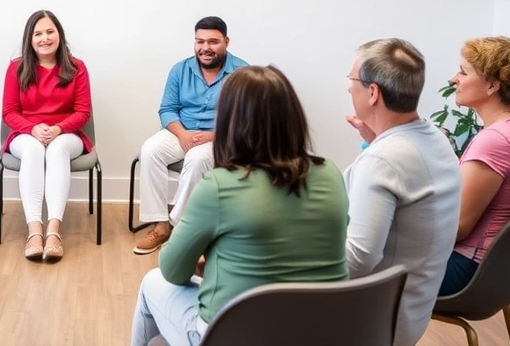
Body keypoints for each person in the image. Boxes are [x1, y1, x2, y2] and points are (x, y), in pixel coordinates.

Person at [131, 65, 349, 346]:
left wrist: (209, 261)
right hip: (321, 332)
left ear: (230, 121)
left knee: (153, 282)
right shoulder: (331, 174)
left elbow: (173, 270)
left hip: (236, 335)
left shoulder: (219, 185)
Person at [344, 38, 462, 346]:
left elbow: (358, 260)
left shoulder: (384, 160)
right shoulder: (436, 139)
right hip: (411, 311)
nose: (348, 88)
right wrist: (376, 141)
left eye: (352, 80)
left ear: (373, 93)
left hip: (372, 321)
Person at [438, 37, 510, 296]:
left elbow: (456, 228)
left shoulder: (496, 141)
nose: (454, 79)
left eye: (463, 72)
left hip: (466, 271)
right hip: (499, 272)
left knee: (364, 263)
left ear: (492, 85)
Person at [133, 16, 248, 255]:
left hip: (220, 137)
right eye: (200, 41)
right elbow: (167, 109)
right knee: (150, 150)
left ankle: (183, 228)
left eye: (213, 41)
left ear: (226, 41)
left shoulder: (242, 73)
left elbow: (245, 120)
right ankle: (160, 225)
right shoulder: (180, 69)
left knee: (197, 158)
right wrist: (183, 135)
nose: (205, 48)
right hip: (181, 131)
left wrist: (212, 137)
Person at [2, 10, 91, 262]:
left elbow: (82, 112)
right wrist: (32, 128)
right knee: (33, 149)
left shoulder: (77, 67)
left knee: (57, 148)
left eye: (50, 31)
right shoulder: (16, 68)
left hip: (67, 133)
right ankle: (34, 232)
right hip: (25, 133)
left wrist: (58, 128)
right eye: (38, 33)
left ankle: (53, 232)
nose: (45, 38)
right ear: (29, 39)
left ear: (59, 35)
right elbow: (9, 113)